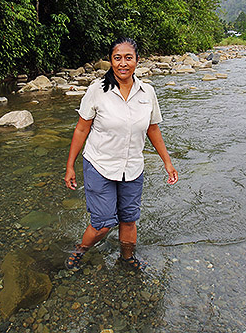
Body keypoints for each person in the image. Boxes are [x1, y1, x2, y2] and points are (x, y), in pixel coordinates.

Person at [64, 37, 178, 271]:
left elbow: (152, 129)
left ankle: (127, 258)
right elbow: (81, 128)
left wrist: (167, 161)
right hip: (100, 165)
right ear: (110, 61)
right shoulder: (97, 90)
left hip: (133, 168)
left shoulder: (147, 92)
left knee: (129, 218)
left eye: (128, 58)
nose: (123, 63)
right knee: (103, 224)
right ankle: (79, 250)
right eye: (117, 58)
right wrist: (70, 166)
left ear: (137, 61)